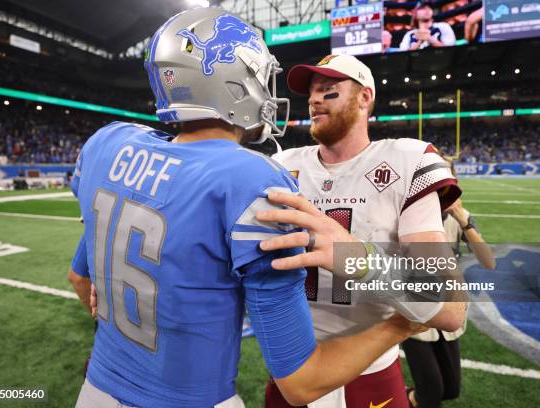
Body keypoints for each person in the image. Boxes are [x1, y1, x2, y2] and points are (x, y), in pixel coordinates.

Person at [69, 9, 426, 408]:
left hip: (96, 390)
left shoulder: (109, 143)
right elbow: (301, 383)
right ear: (233, 84)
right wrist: (401, 324)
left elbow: (80, 278)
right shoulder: (251, 179)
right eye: (259, 76)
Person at [256, 54, 467, 408]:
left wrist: (361, 261)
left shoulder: (407, 161)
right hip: (291, 371)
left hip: (370, 374)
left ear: (365, 97)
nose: (314, 99)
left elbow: (449, 308)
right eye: (311, 93)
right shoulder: (281, 167)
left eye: (328, 90)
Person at [403, 158, 495, 408]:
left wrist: (461, 218)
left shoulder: (458, 217)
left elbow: (488, 262)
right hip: (416, 309)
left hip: (449, 309)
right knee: (431, 394)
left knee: (451, 390)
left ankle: (404, 397)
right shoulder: (407, 212)